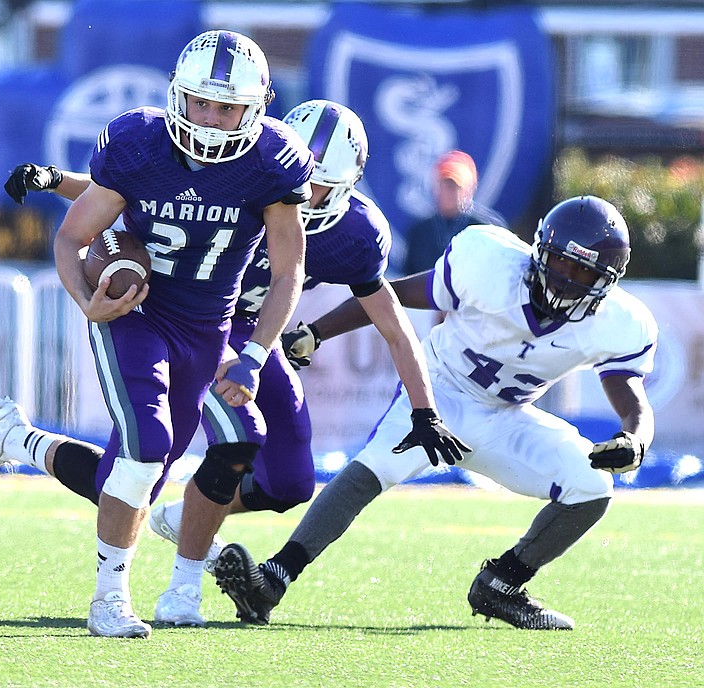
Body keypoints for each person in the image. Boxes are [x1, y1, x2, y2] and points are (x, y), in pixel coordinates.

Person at [0, 99, 470, 627]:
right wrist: (54, 179)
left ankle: (177, 512)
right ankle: (178, 582)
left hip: (252, 333)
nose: (305, 193)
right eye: (301, 179)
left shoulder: (353, 231)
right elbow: (134, 192)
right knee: (161, 461)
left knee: (289, 482)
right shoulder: (248, 167)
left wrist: (425, 411)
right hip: (190, 316)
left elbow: (393, 324)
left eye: (319, 185)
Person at [0, 29, 315, 639]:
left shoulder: (274, 161)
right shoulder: (138, 142)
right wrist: (86, 301)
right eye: (203, 102)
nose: (214, 118)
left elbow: (289, 270)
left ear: (257, 107)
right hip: (135, 312)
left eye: (229, 107)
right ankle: (110, 599)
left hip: (208, 326)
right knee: (147, 444)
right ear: (179, 96)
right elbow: (71, 236)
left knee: (140, 471)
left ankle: (18, 440)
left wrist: (254, 354)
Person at [213, 195, 658, 631]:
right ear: (540, 250)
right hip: (438, 393)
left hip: (508, 417)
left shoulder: (618, 321)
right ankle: (273, 578)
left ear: (608, 282)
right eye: (562, 263)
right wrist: (317, 331)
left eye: (584, 272)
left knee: (592, 484)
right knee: (378, 465)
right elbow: (391, 295)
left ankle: (502, 584)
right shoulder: (490, 263)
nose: (566, 279)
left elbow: (630, 394)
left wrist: (634, 439)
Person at [403, 149, 507, 274]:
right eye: (444, 185)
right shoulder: (419, 232)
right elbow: (407, 276)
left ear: (469, 189)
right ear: (435, 187)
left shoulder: (487, 229)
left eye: (455, 186)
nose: (448, 192)